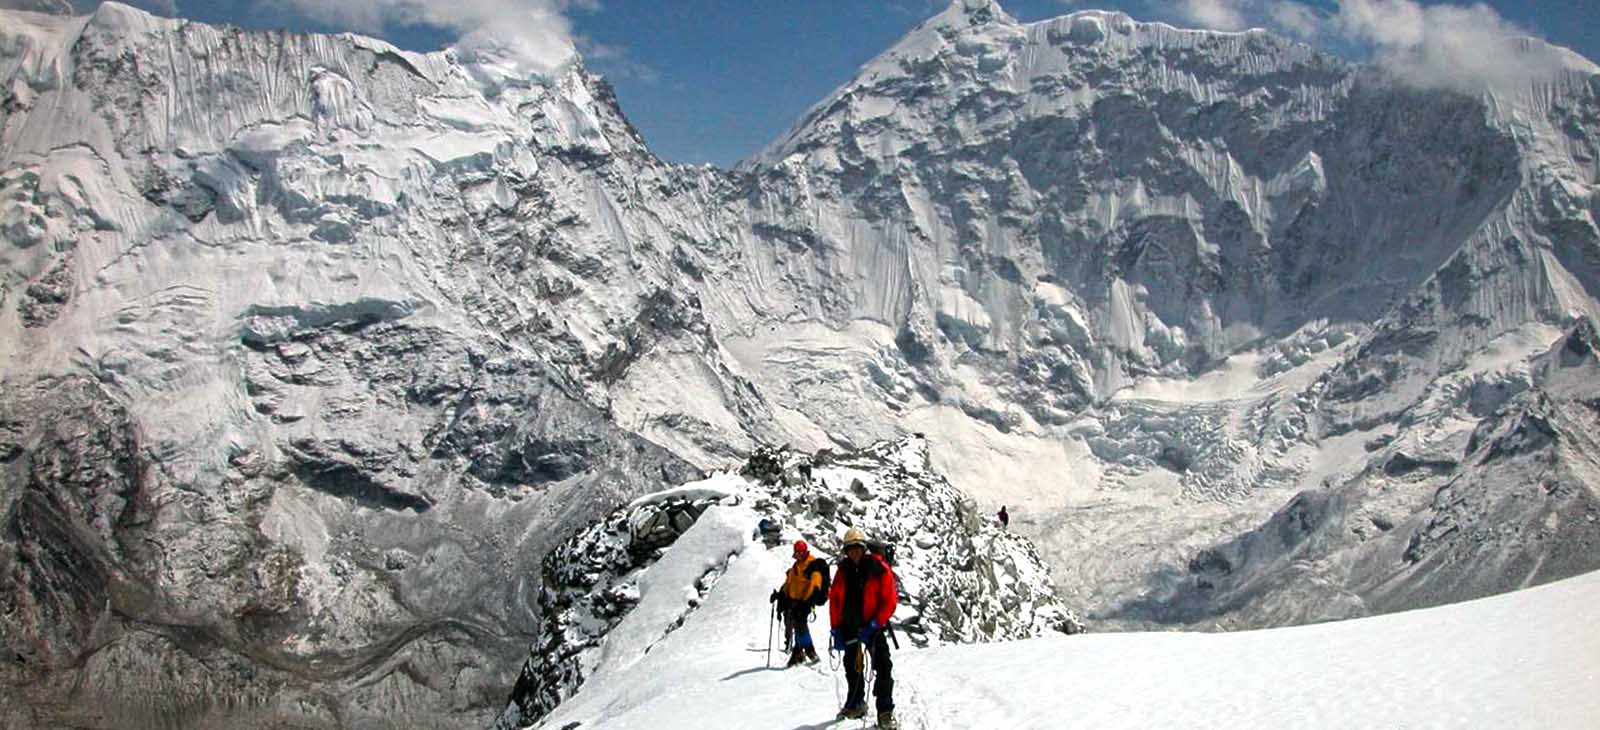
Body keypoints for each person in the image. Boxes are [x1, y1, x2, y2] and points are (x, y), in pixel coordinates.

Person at [828, 527, 898, 729]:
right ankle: (856, 702)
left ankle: (885, 711)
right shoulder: (843, 571)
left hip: (872, 626)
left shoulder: (878, 568)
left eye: (857, 547)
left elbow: (890, 600)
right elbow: (835, 599)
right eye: (850, 549)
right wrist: (835, 628)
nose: (854, 552)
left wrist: (877, 622)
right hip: (850, 626)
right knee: (852, 667)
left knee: (883, 665)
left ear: (863, 548)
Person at [769, 540, 825, 666]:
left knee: (800, 626)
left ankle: (810, 652)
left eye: (801, 552)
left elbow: (815, 586)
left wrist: (807, 603)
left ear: (805, 551)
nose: (799, 554)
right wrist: (779, 595)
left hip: (804, 602)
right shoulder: (796, 567)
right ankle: (798, 654)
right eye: (797, 552)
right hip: (794, 602)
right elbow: (789, 585)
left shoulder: (812, 565)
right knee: (799, 626)